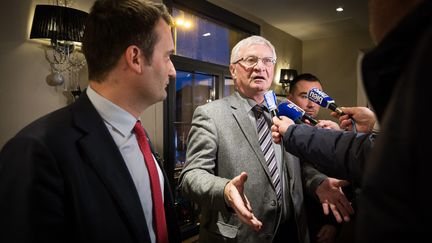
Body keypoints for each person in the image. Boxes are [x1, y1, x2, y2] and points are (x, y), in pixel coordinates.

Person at [0, 1, 180, 242]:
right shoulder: (35, 151)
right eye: (168, 56)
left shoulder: (139, 135)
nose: (173, 71)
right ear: (135, 58)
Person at [179, 35, 351, 243]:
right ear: (233, 69)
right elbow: (191, 176)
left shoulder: (288, 111)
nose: (260, 67)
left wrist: (318, 182)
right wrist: (224, 189)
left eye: (267, 61)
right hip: (242, 235)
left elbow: (297, 167)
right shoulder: (210, 114)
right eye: (251, 60)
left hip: (293, 230)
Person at [287, 73, 341, 243]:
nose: (311, 104)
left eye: (315, 97)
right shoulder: (278, 131)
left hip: (321, 224)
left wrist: (333, 224)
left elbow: (339, 182)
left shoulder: (329, 131)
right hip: (287, 225)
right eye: (304, 96)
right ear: (290, 99)